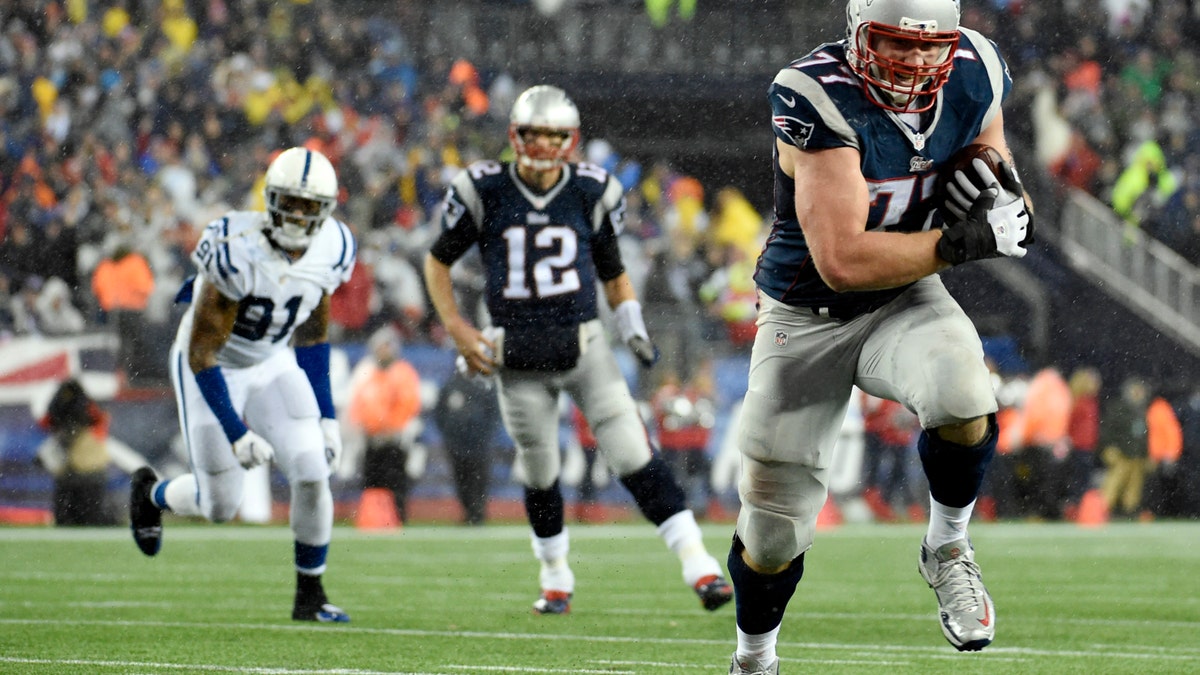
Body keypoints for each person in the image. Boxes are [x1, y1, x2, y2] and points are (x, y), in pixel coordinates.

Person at [726, 1, 1035, 671]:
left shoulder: (976, 70)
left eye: (933, 47)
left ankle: (948, 547)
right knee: (774, 530)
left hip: (904, 298)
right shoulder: (818, 96)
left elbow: (1002, 179)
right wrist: (960, 242)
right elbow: (842, 260)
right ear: (859, 32)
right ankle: (754, 655)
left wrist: (1008, 208)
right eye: (898, 42)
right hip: (805, 315)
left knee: (965, 394)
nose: (919, 61)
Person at [423, 84, 732, 615]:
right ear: (514, 136)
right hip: (515, 357)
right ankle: (555, 575)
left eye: (554, 135)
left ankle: (699, 565)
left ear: (571, 140)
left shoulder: (591, 190)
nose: (543, 145)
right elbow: (437, 261)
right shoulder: (484, 188)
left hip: (585, 346)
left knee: (634, 453)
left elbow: (612, 272)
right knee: (539, 470)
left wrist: (630, 319)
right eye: (534, 134)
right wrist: (456, 326)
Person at [128, 147, 355, 623]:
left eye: (307, 205)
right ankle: (151, 494)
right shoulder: (235, 248)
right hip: (214, 365)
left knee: (313, 469)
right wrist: (237, 432)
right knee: (219, 505)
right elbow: (201, 352)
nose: (295, 215)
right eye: (287, 202)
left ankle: (309, 595)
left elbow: (313, 335)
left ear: (326, 210)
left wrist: (328, 417)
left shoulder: (334, 247)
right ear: (269, 199)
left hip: (272, 359)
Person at [35, 378, 148, 525]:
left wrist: (66, 404)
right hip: (74, 470)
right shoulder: (87, 412)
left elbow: (50, 421)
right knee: (70, 517)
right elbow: (48, 421)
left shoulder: (87, 417)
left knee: (89, 516)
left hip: (85, 470)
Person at [347, 324, 423, 523]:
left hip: (394, 441)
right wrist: (363, 427)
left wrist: (392, 428)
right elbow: (358, 403)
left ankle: (397, 520)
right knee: (372, 484)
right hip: (371, 439)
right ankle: (373, 520)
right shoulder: (367, 371)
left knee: (395, 483)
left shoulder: (402, 372)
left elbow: (408, 404)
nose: (384, 350)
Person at [433, 368, 503, 525]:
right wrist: (449, 436)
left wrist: (485, 435)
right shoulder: (451, 385)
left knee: (479, 479)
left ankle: (478, 512)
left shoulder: (485, 385)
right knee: (461, 479)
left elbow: (494, 414)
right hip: (457, 443)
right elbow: (439, 412)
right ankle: (468, 511)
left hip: (479, 443)